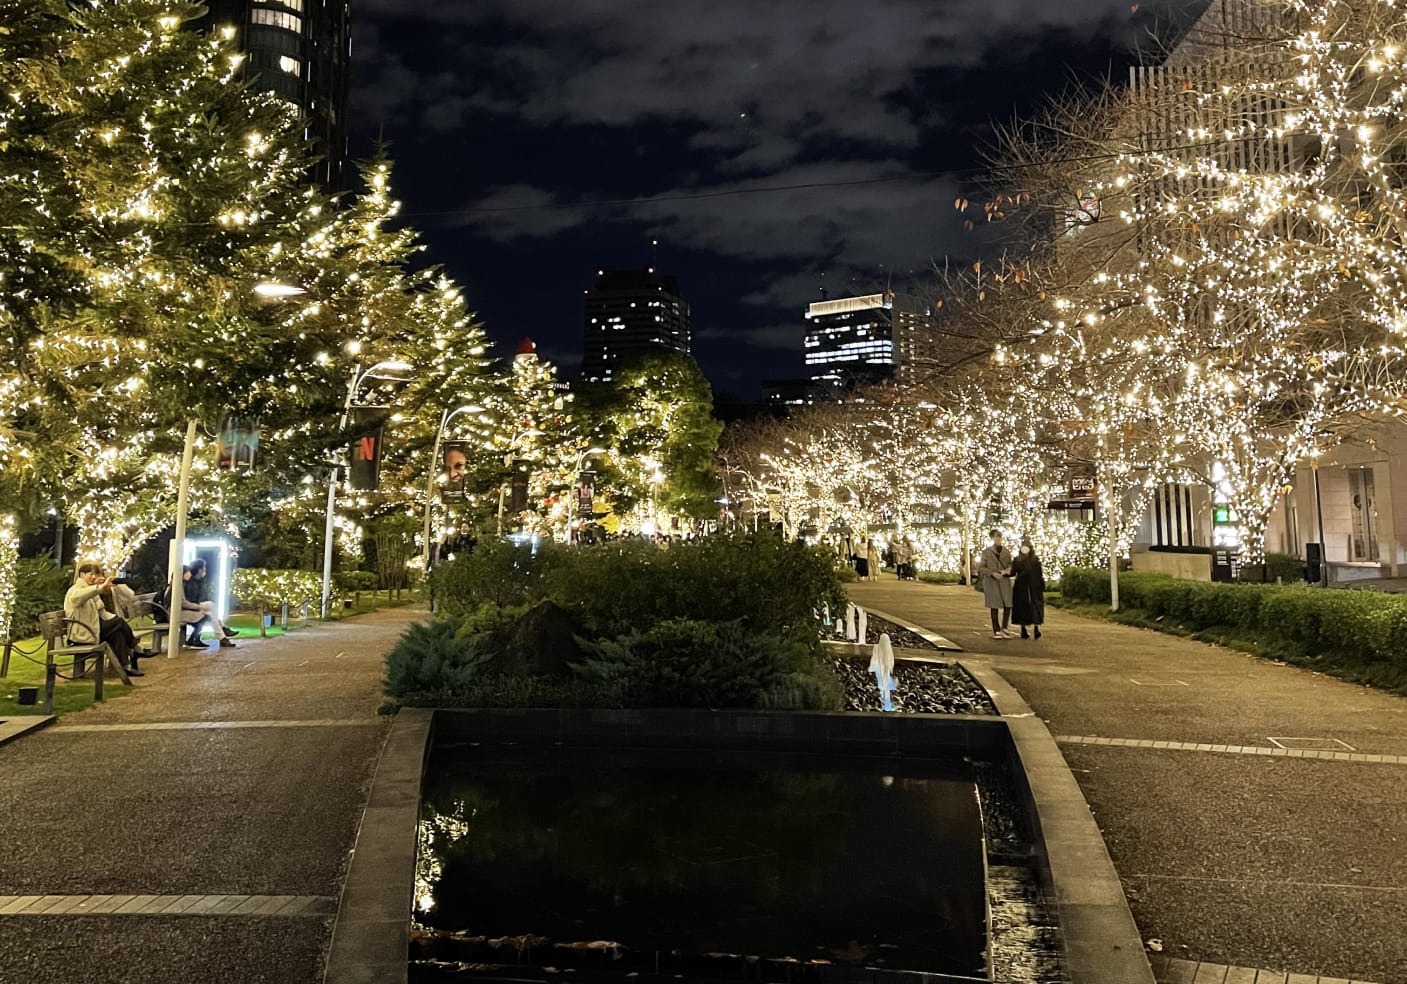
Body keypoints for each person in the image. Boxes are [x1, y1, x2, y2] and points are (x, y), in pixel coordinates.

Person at [65, 562, 144, 676]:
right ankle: (135, 649)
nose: (94, 577)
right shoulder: (75, 590)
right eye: (90, 574)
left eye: (95, 575)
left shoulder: (91, 590)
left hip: (93, 629)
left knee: (118, 632)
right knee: (118, 623)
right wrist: (98, 588)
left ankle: (126, 667)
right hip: (82, 633)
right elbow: (77, 598)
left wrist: (114, 618)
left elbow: (103, 612)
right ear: (82, 575)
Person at [189, 559, 237, 648]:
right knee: (211, 606)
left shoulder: (197, 582)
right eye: (204, 568)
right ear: (199, 570)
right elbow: (190, 600)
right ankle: (223, 632)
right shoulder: (191, 583)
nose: (205, 570)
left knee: (211, 613)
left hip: (194, 606)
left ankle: (223, 637)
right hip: (191, 607)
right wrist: (197, 605)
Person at [977, 529, 1014, 639]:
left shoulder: (1006, 552)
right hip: (992, 582)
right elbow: (981, 568)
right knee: (994, 606)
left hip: (1004, 581)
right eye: (996, 537)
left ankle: (1005, 628)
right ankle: (996, 630)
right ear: (992, 538)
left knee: (1008, 604)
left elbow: (1010, 565)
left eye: (999, 537)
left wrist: (1008, 570)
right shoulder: (986, 552)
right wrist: (992, 573)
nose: (998, 539)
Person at [1011, 537, 1046, 640]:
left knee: (1032, 606)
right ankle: (1026, 629)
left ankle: (1033, 628)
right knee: (1025, 607)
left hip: (1031, 586)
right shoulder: (1020, 560)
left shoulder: (1033, 560)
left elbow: (1038, 573)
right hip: (1025, 587)